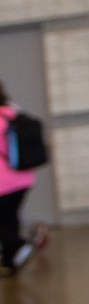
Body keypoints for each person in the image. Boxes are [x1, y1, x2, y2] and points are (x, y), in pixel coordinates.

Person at [0, 81, 37, 278]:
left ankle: (20, 245)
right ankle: (9, 263)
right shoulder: (12, 111)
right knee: (9, 218)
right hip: (24, 178)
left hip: (2, 182)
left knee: (4, 222)